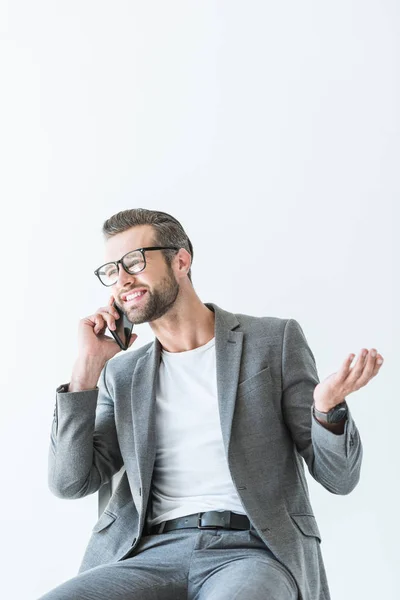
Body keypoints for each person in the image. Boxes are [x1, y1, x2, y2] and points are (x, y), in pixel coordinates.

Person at [39, 208, 383, 600]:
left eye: (134, 261)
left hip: (252, 552)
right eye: (112, 271)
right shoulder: (124, 374)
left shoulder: (273, 340)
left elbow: (339, 478)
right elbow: (69, 482)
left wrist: (326, 410)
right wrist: (87, 370)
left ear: (181, 260)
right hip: (147, 554)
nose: (123, 279)